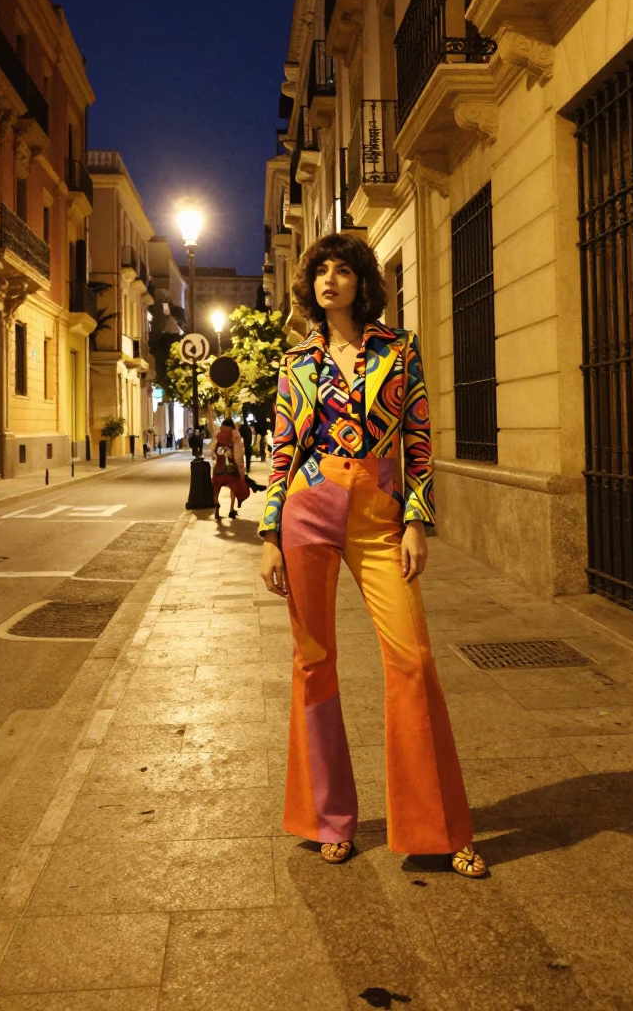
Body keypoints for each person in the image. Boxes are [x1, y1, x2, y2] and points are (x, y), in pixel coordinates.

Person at [259, 232, 486, 878]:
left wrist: (417, 520)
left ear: (362, 282)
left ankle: (437, 827)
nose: (331, 279)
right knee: (314, 661)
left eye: (343, 270)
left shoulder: (398, 348)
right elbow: (282, 452)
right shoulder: (296, 361)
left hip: (378, 511)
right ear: (311, 287)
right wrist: (270, 534)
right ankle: (328, 820)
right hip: (309, 505)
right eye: (321, 271)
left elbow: (418, 436)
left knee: (412, 658)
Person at [211, 418, 249, 520]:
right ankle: (231, 509)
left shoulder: (217, 435)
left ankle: (216, 508)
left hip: (219, 467)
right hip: (231, 468)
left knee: (216, 488)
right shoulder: (235, 436)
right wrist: (240, 467)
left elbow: (213, 451)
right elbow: (237, 455)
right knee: (233, 488)